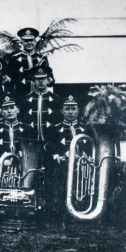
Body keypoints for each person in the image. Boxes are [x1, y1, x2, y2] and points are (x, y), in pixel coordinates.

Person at [45, 95, 90, 223]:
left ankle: (81, 209)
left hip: (81, 166)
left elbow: (90, 148)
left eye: (73, 108)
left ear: (78, 110)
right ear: (62, 111)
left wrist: (84, 157)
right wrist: (57, 156)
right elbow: (49, 147)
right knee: (60, 184)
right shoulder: (53, 129)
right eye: (67, 108)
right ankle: (62, 213)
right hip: (62, 166)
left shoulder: (86, 129)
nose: (70, 111)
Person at [9, 27, 54, 97]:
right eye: (26, 40)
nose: (29, 42)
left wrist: (50, 80)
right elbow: (11, 79)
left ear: (35, 41)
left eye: (31, 40)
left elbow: (50, 79)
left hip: (38, 95)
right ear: (21, 42)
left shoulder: (42, 58)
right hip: (20, 95)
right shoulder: (14, 58)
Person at [20, 68, 61, 143]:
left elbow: (59, 121)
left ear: (48, 80)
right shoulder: (26, 99)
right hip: (31, 141)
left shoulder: (56, 99)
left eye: (43, 78)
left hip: (51, 140)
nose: (41, 81)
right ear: (34, 81)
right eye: (38, 79)